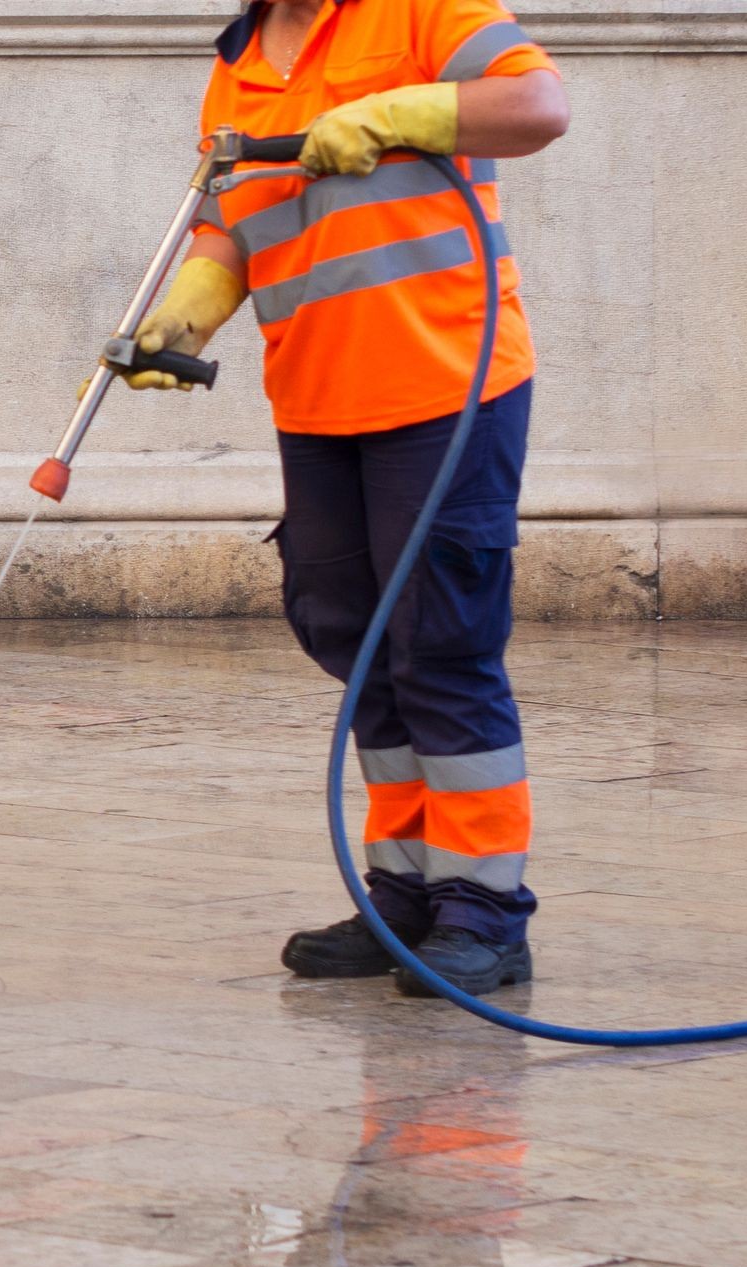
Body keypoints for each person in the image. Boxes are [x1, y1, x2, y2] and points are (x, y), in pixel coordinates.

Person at [127, 0, 569, 995]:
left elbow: (537, 105)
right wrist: (189, 312)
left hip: (446, 383)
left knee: (440, 644)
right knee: (358, 641)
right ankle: (406, 896)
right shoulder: (239, 64)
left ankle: (486, 912)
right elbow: (232, 219)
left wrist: (399, 114)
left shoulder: (422, 9)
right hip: (319, 397)